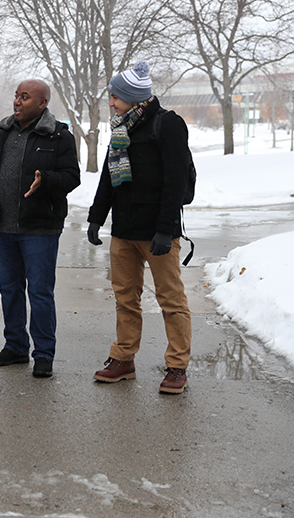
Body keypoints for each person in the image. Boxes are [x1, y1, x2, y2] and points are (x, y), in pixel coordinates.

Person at [86, 61, 193, 394]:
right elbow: (108, 177)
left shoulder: (167, 125)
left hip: (158, 232)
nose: (111, 103)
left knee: (171, 300)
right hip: (124, 230)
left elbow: (174, 181)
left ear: (132, 97)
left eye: (116, 97)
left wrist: (165, 229)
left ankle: (177, 366)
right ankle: (124, 358)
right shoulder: (121, 127)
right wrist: (96, 217)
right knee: (125, 298)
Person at [0, 79, 80, 378]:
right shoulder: (2, 132)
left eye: (25, 97)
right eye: (16, 96)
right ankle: (15, 346)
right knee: (10, 290)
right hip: (4, 226)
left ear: (42, 103)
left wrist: (47, 181)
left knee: (40, 293)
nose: (17, 102)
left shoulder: (58, 136)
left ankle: (43, 354)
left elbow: (71, 177)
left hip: (40, 228)